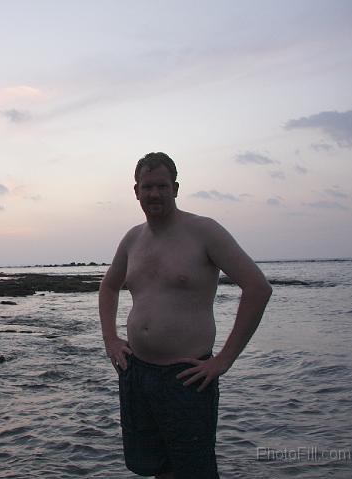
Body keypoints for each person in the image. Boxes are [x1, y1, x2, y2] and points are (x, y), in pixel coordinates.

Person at [99, 152, 272, 478]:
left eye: (161, 186)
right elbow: (108, 287)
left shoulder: (204, 232)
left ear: (175, 188)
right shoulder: (132, 239)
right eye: (147, 187)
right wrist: (110, 339)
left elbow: (258, 288)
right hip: (137, 373)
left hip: (187, 377)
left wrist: (223, 360)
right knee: (151, 465)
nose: (154, 194)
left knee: (194, 470)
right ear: (135, 191)